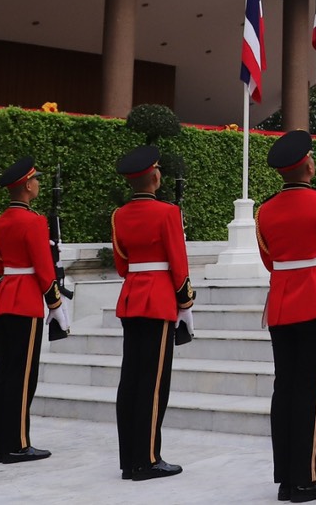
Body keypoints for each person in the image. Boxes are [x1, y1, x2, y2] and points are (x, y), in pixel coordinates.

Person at [255, 130, 316, 503]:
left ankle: (286, 477)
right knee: (310, 394)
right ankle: (307, 479)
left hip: (281, 305)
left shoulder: (265, 210)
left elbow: (269, 260)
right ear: (308, 166)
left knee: (285, 391)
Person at [111, 145, 192, 481]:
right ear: (156, 177)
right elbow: (178, 261)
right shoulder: (168, 212)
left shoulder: (118, 215)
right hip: (158, 299)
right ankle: (147, 458)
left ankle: (130, 457)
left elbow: (121, 265)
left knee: (130, 379)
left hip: (131, 296)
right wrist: (185, 302)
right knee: (154, 382)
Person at [0, 157, 66, 464]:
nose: (38, 184)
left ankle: (1, 443)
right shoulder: (33, 222)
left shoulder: (0, 222)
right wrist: (56, 303)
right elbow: (44, 268)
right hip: (25, 301)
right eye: (35, 180)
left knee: (5, 374)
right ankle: (17, 444)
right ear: (26, 186)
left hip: (5, 295)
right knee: (22, 377)